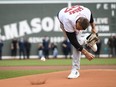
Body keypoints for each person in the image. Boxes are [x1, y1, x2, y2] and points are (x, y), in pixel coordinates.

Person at [57, 5, 98, 79]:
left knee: (77, 42)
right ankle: (87, 39)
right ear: (78, 22)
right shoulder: (68, 20)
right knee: (75, 42)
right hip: (62, 19)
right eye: (77, 28)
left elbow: (91, 18)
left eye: (80, 29)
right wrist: (86, 53)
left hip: (72, 15)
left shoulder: (87, 12)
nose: (77, 30)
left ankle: (75, 70)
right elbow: (73, 41)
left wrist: (93, 27)